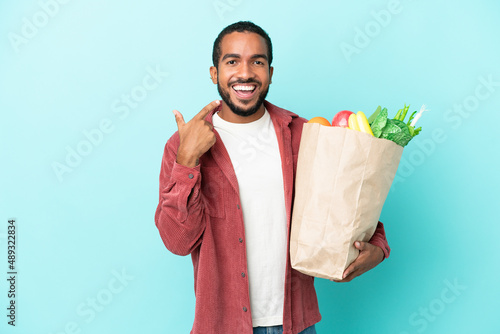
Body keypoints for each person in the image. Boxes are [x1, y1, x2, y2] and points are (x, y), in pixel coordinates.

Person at [154, 21, 391, 334]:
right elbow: (177, 241)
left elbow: (344, 198)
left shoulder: (301, 134)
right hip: (222, 325)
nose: (246, 72)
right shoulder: (183, 144)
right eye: (232, 61)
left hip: (297, 322)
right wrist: (187, 159)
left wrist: (378, 245)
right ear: (215, 73)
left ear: (270, 73)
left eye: (257, 61)